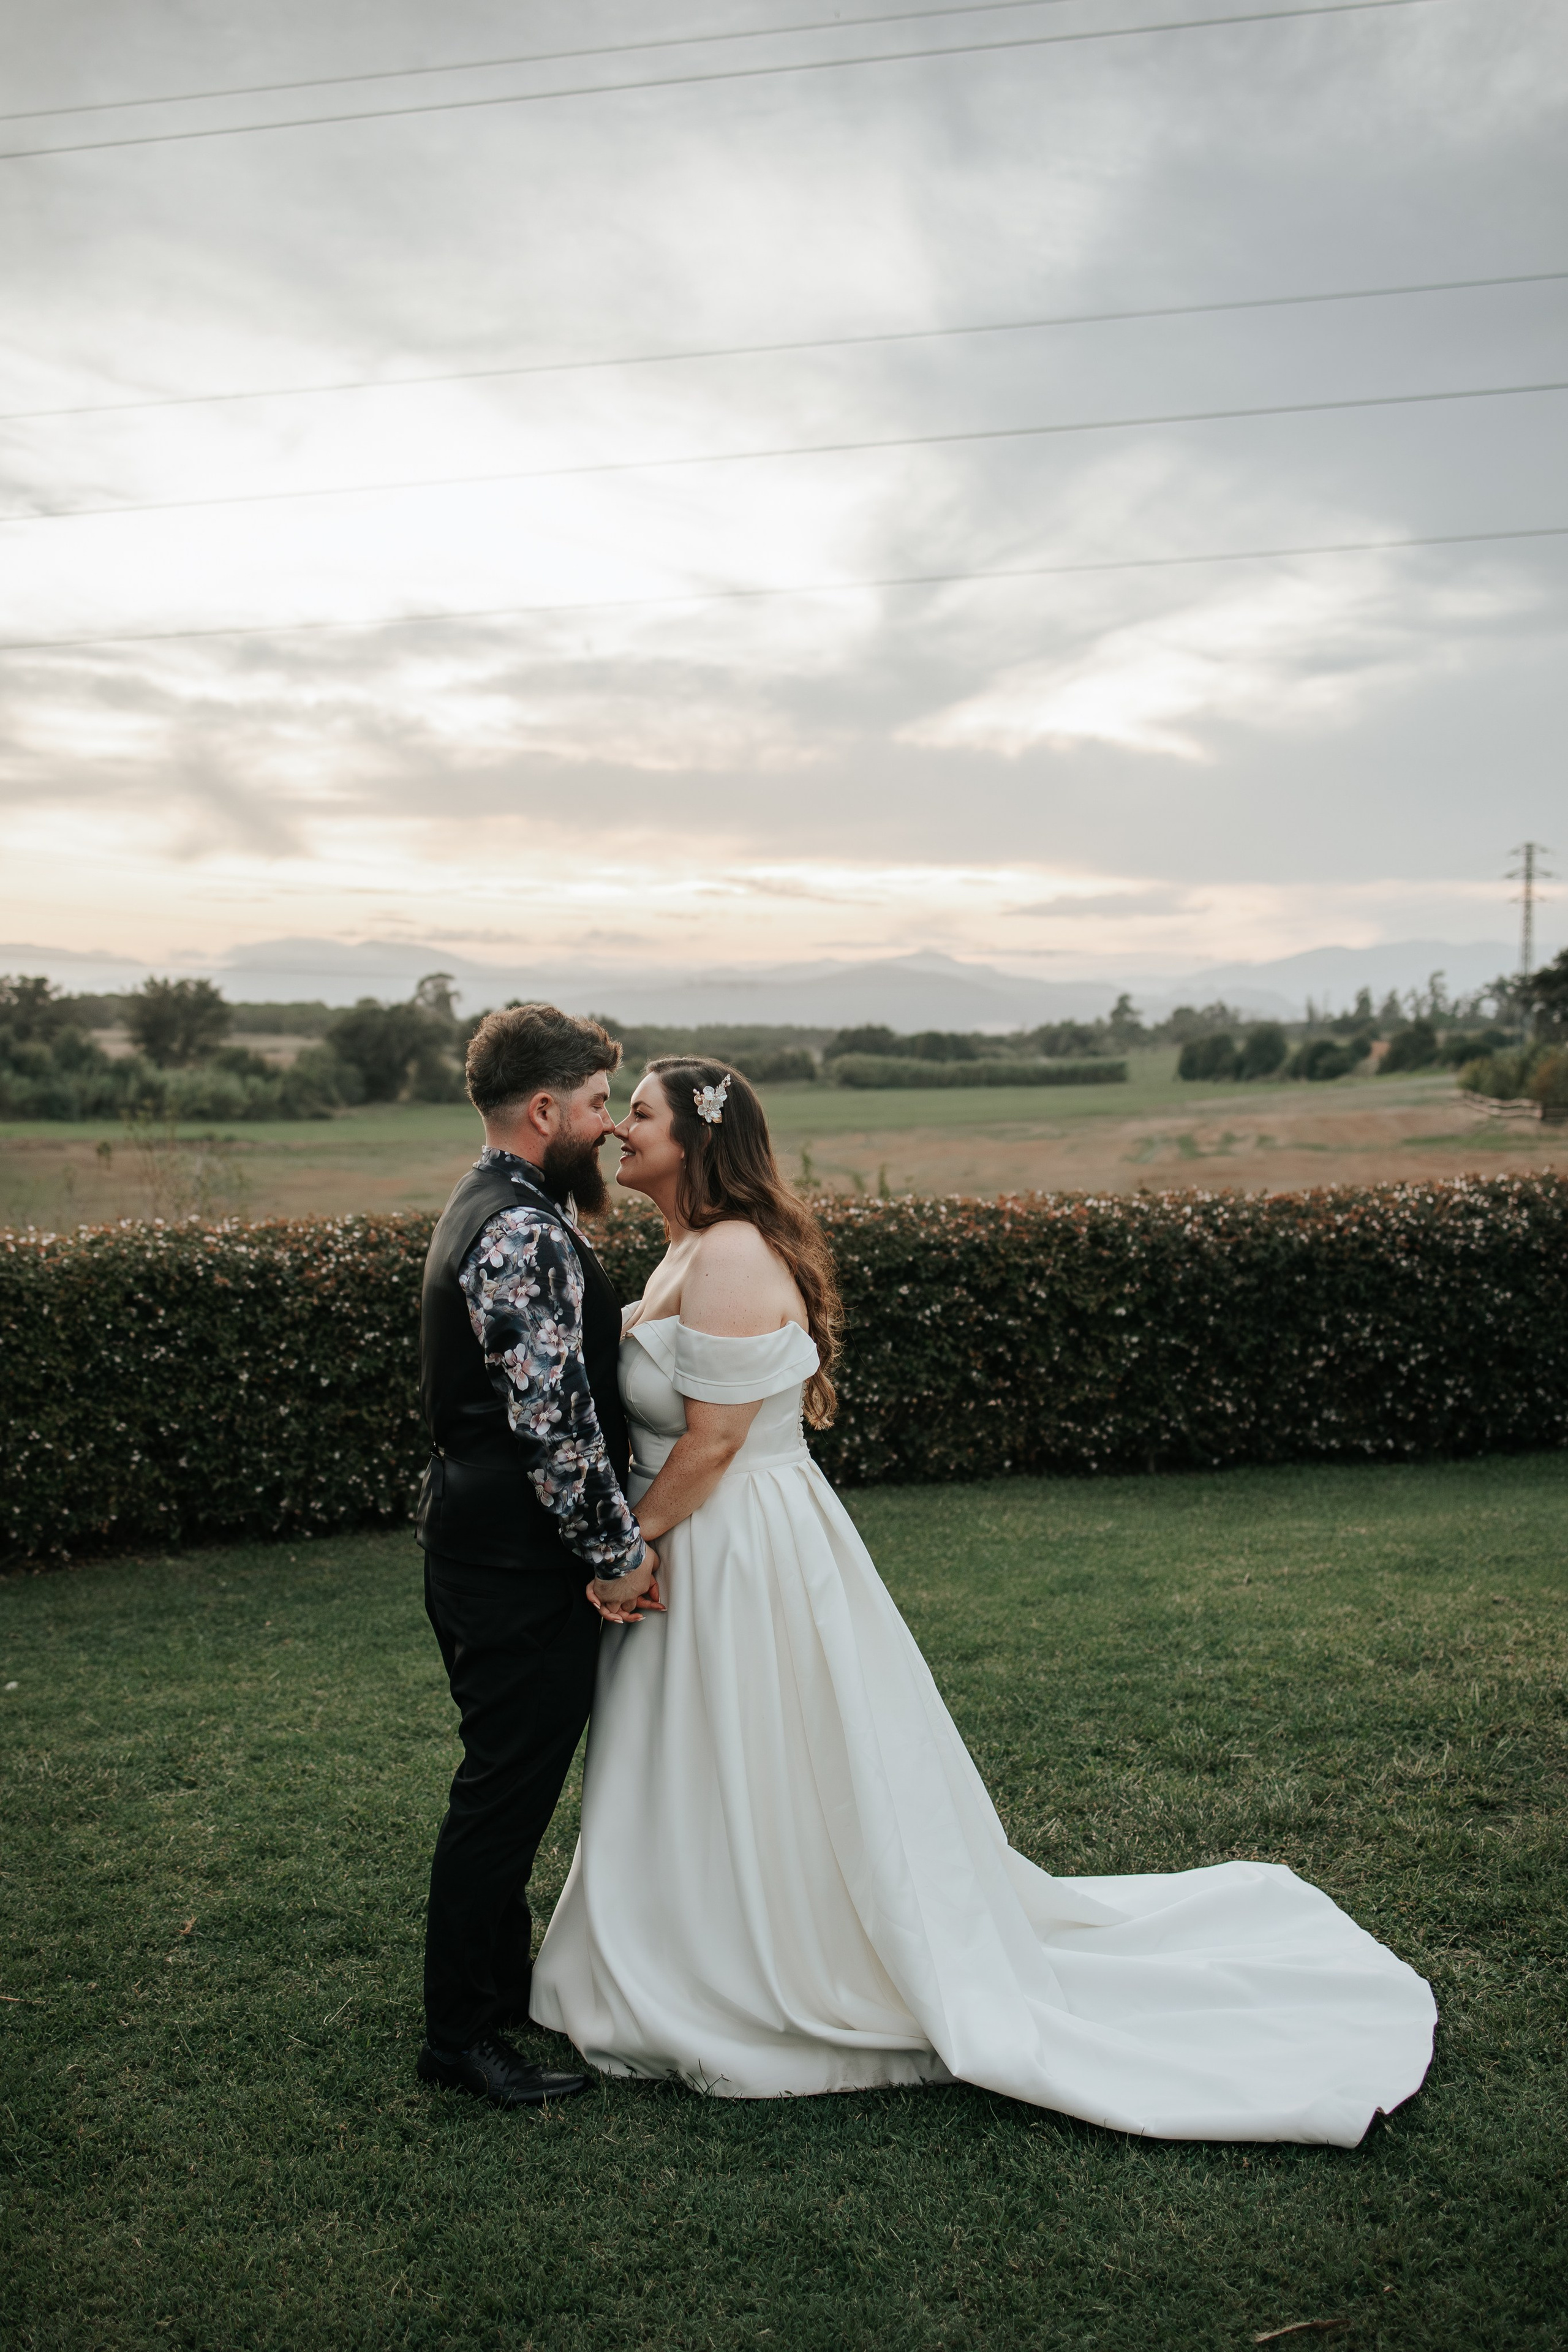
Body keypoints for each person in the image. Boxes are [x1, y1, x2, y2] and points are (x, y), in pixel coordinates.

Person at [532, 1060, 1437, 2141]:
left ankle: (755, 1962)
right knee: (698, 1753)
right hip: (703, 1539)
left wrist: (626, 1548)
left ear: (698, 1140)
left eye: (638, 1114)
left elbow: (718, 1442)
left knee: (756, 1745)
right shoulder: (684, 1246)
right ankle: (679, 1945)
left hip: (734, 1546)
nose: (619, 1130)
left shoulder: (727, 1252)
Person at [415, 1003, 662, 2109]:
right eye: (600, 1104)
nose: (610, 1128)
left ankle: (496, 1990)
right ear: (546, 1107)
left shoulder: (498, 1206)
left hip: (485, 1547)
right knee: (503, 1796)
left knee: (505, 1782)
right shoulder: (519, 1229)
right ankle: (463, 2040)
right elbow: (553, 1423)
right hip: (514, 1564)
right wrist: (614, 1554)